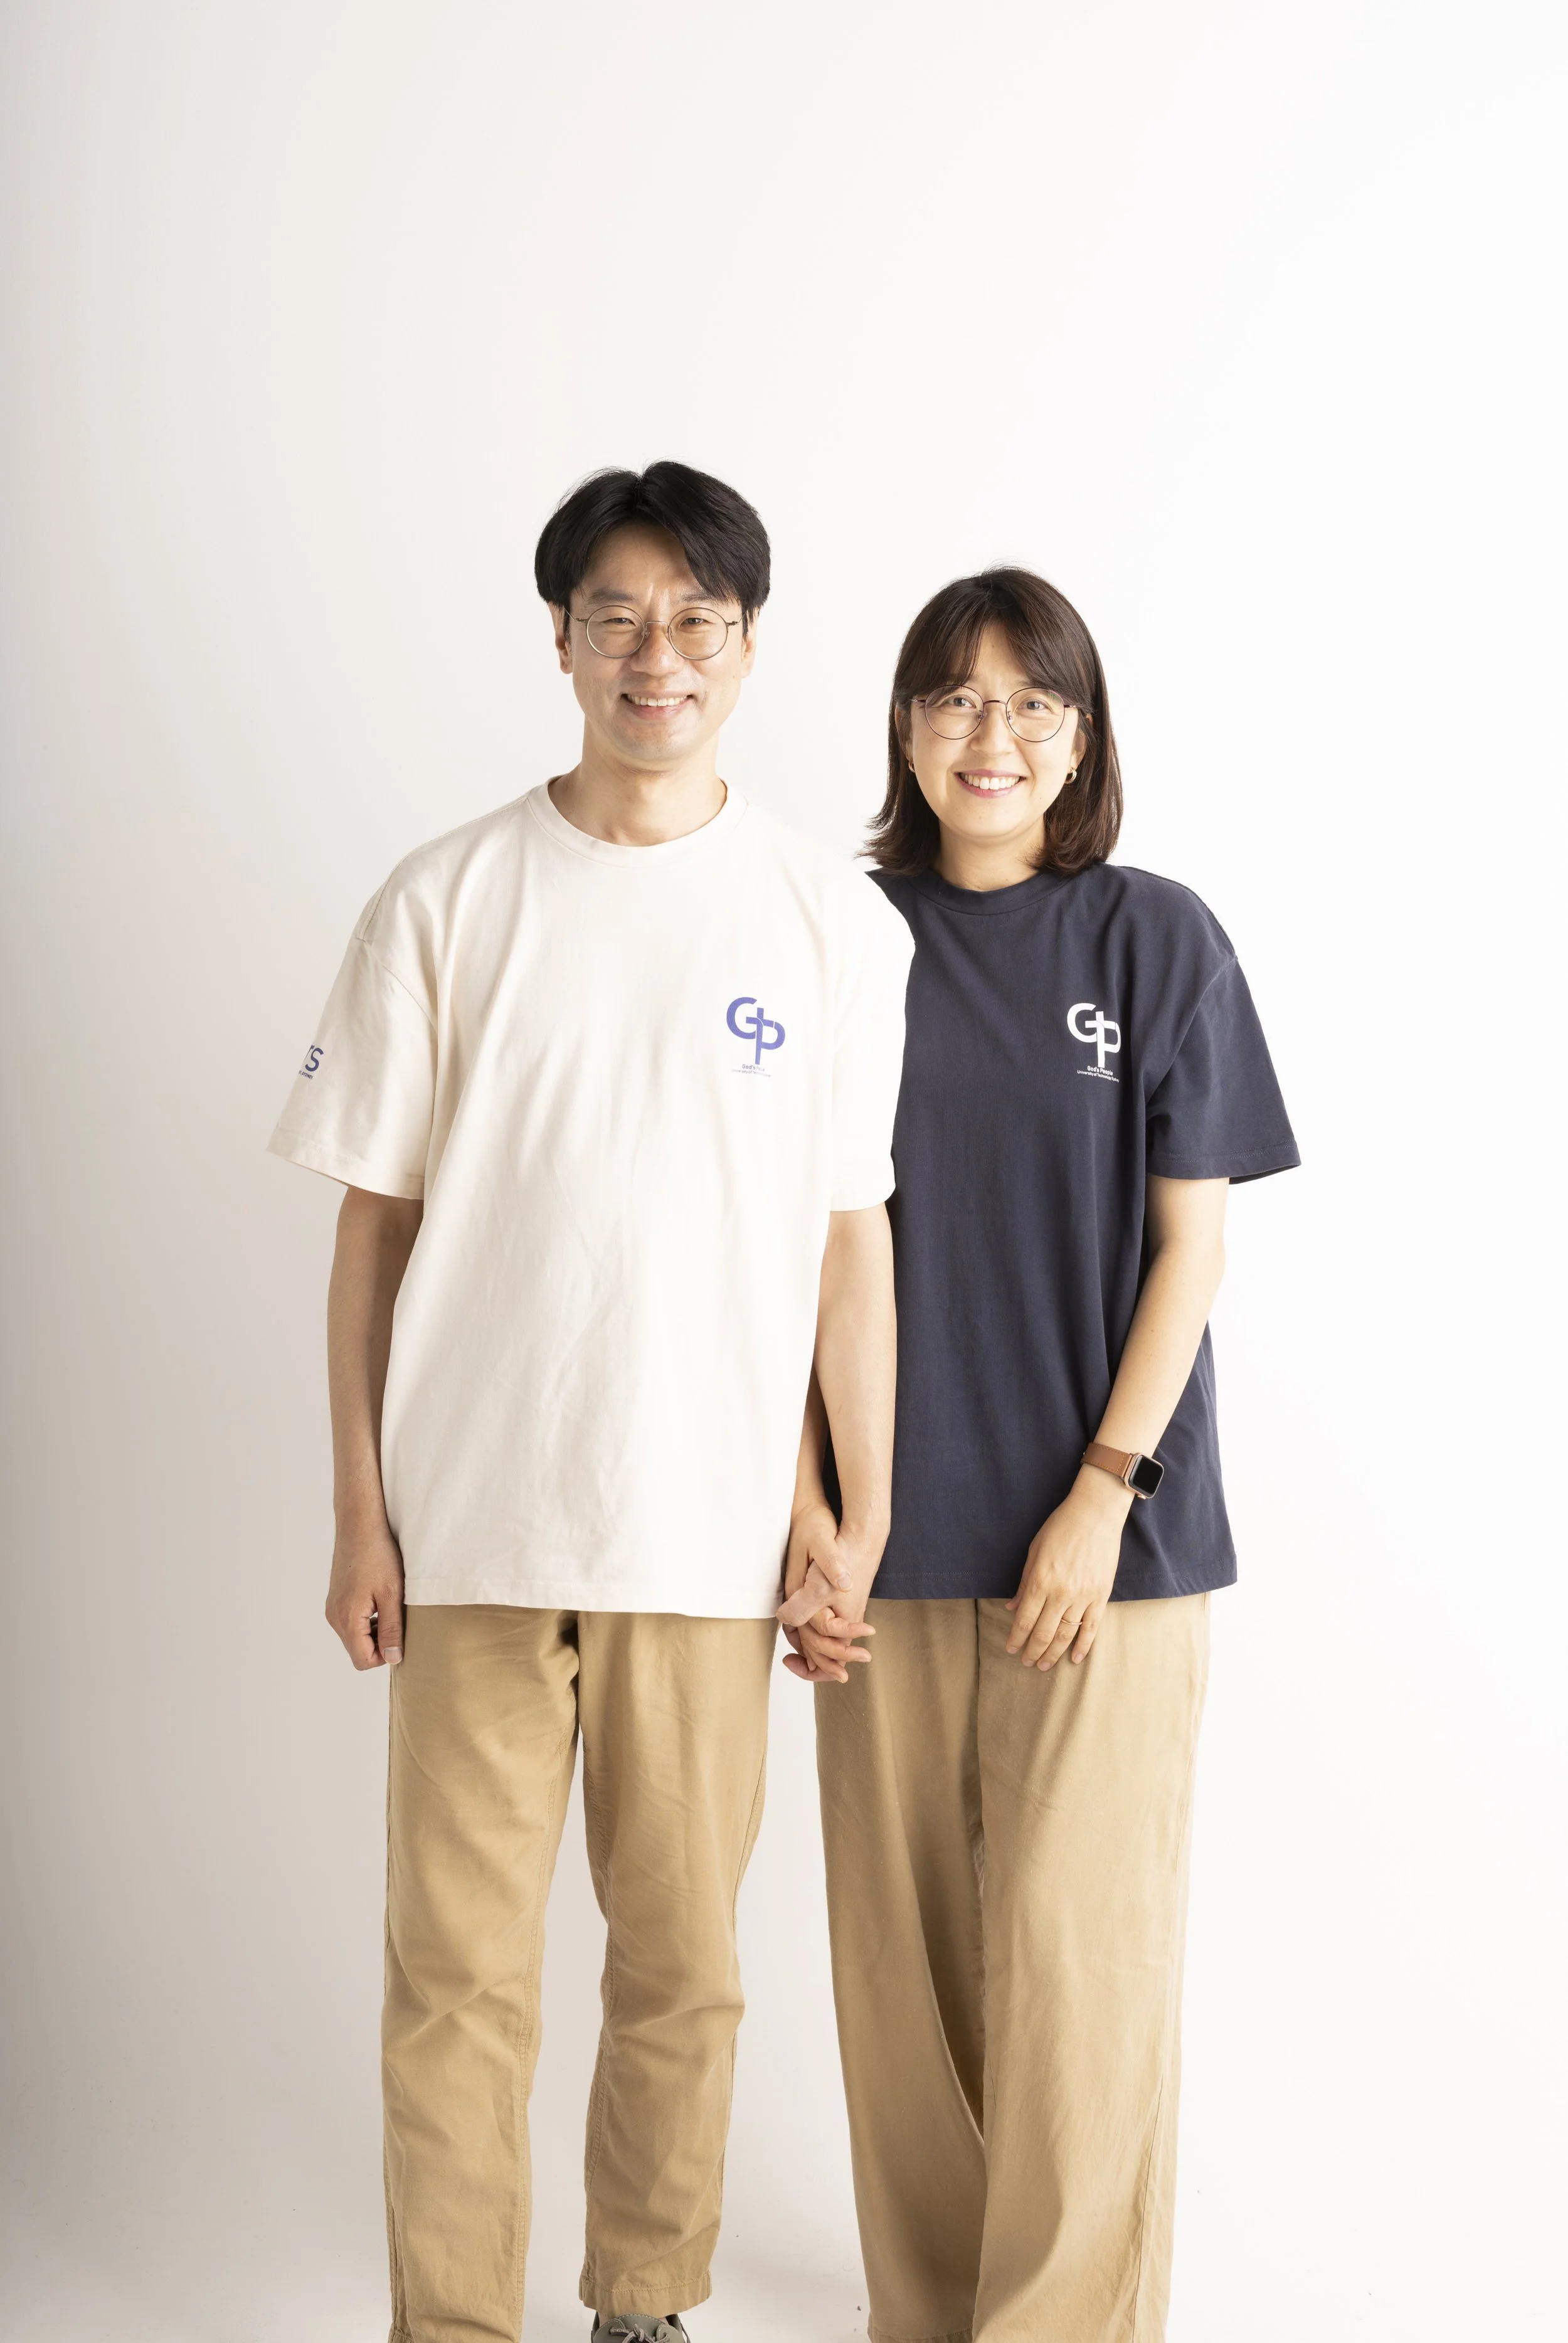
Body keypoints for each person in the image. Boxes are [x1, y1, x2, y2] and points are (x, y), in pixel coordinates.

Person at [269, 462, 912, 2343]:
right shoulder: (447, 896)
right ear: (558, 638)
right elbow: (370, 1236)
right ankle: (451, 2322)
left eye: (695, 619)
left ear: (747, 645)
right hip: (469, 1527)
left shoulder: (824, 919)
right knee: (455, 1976)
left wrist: (846, 1510)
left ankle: (641, 2303)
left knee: (684, 1969)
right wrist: (358, 1509)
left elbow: (844, 1250)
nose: (658, 654)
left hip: (709, 1538)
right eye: (617, 616)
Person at [780, 568, 1299, 2343]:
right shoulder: (827, 938)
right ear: (905, 726)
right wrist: (809, 1516)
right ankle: (924, 2318)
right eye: (953, 697)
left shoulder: (1155, 939)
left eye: (1031, 704)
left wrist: (1103, 1493)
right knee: (904, 1986)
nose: (989, 736)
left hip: (1109, 1554)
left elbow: (1195, 1248)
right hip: (878, 1547)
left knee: (1078, 1975)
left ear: (1080, 736)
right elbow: (766, 1250)